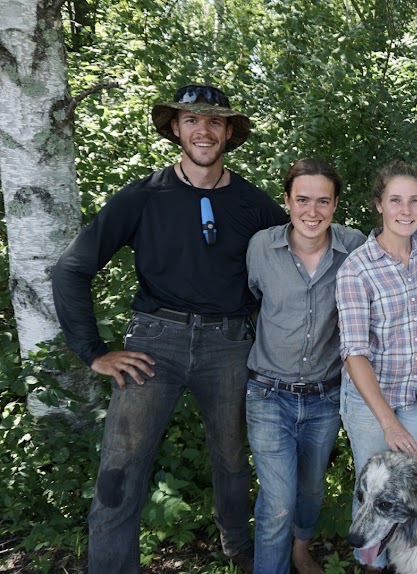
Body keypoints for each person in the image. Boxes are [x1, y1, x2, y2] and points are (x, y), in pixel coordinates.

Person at [51, 84, 287, 574]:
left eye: (215, 121)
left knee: (233, 461)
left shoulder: (254, 204)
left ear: (228, 132)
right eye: (192, 120)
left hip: (229, 345)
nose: (204, 130)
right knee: (121, 469)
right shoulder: (144, 196)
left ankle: (240, 552)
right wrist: (93, 351)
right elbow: (71, 268)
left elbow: (298, 260)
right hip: (154, 344)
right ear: (176, 129)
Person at [245, 158, 366, 574]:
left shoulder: (354, 247)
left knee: (311, 488)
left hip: (326, 394)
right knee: (277, 499)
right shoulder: (261, 247)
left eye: (322, 201)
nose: (311, 212)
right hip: (267, 393)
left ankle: (301, 549)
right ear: (287, 201)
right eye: (302, 200)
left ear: (335, 205)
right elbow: (249, 298)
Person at [335, 160, 417, 572]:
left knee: (410, 496)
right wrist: (388, 422)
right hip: (373, 406)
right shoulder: (357, 269)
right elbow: (354, 354)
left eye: (414, 200)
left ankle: (405, 564)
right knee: (375, 496)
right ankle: (371, 565)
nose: (405, 210)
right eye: (395, 200)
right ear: (379, 204)